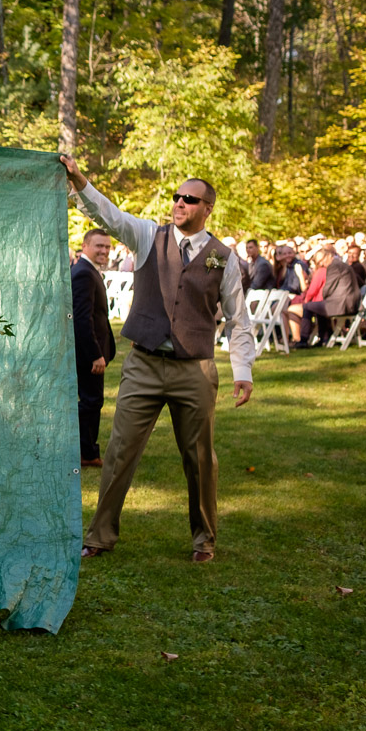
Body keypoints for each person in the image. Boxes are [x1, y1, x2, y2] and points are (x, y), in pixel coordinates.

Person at [61, 156, 256, 563]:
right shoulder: (150, 237)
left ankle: (204, 540)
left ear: (207, 208)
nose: (180, 203)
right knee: (119, 451)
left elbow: (239, 319)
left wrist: (243, 372)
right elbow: (110, 216)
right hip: (143, 364)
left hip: (195, 369)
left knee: (200, 457)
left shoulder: (225, 257)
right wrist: (80, 181)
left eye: (190, 198)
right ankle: (99, 535)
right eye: (177, 196)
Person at [71, 228, 116, 468]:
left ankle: (87, 450)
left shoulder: (88, 270)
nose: (104, 251)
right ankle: (86, 453)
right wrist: (95, 354)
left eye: (107, 247)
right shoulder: (84, 274)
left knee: (91, 402)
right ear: (85, 245)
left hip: (93, 352)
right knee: (90, 402)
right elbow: (81, 319)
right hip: (89, 354)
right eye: (99, 246)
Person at [289, 246, 360, 346]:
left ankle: (304, 339)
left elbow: (328, 288)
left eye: (321, 260)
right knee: (318, 306)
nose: (321, 264)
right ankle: (324, 339)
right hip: (349, 302)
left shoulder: (334, 266)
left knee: (307, 306)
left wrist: (323, 296)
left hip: (343, 304)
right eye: (318, 262)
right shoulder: (342, 265)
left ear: (329, 256)